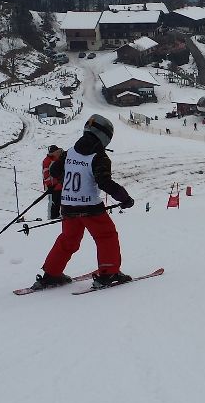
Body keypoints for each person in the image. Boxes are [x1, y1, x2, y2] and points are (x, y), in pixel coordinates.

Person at [36, 114, 136, 288]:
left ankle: (51, 274)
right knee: (106, 236)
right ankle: (109, 273)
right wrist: (125, 198)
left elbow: (54, 171)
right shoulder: (99, 157)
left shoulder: (69, 152)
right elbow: (104, 182)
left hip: (68, 206)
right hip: (90, 207)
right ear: (104, 136)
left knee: (68, 240)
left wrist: (66, 178)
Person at [41, 144, 64, 220]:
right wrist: (49, 185)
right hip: (52, 187)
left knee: (60, 201)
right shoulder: (47, 161)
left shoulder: (59, 159)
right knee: (53, 202)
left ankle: (59, 215)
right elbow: (46, 174)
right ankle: (52, 217)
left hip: (59, 185)